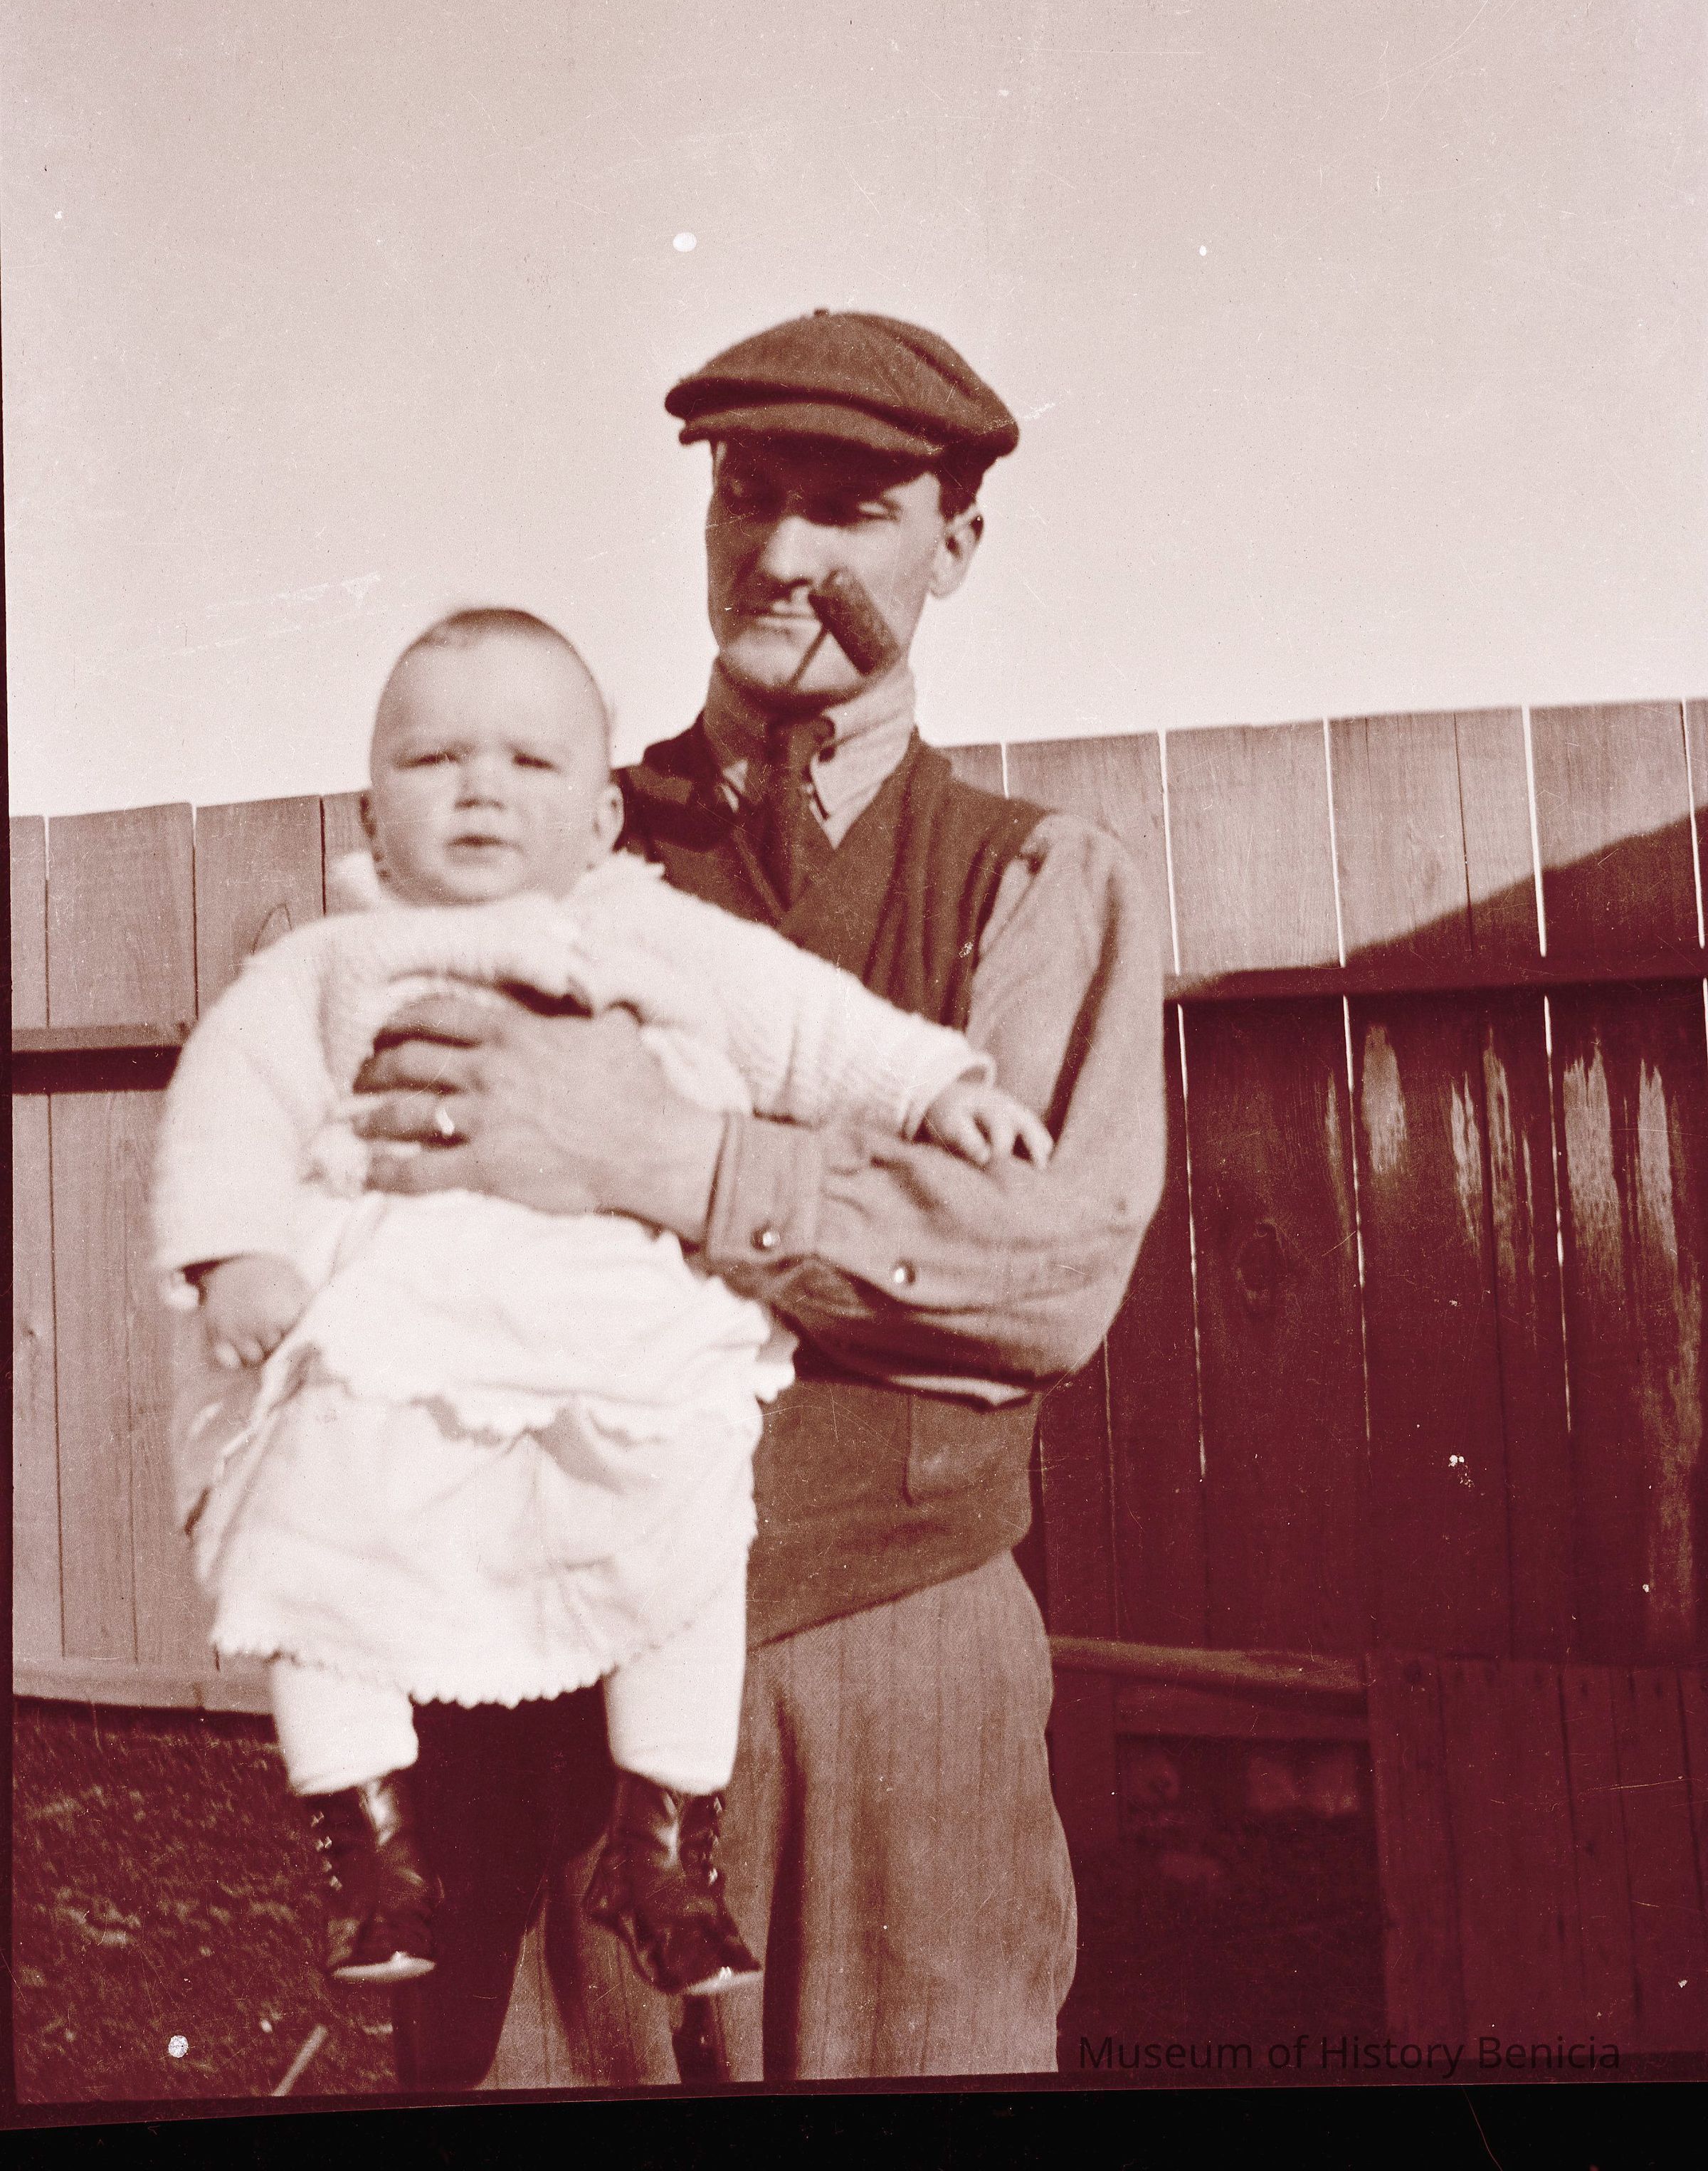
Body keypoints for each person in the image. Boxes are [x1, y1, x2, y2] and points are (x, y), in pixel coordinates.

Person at [357, 310, 1169, 2084]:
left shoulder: (1037, 880)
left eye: (851, 509)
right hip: (548, 1683)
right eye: (747, 494)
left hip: (894, 1674)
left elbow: (1038, 1281)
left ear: (957, 543)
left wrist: (662, 1159)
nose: (782, 553)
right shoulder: (549, 851)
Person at [152, 606, 1050, 2002]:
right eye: (433, 760)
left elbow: (800, 1020)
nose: (480, 790)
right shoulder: (331, 960)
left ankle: (663, 1842)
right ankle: (370, 1846)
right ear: (373, 809)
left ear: (601, 815)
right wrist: (235, 1258)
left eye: (529, 762)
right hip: (400, 1326)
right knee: (313, 1532)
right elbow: (227, 1104)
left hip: (613, 1321)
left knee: (689, 1525)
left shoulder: (648, 931)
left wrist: (935, 1085)